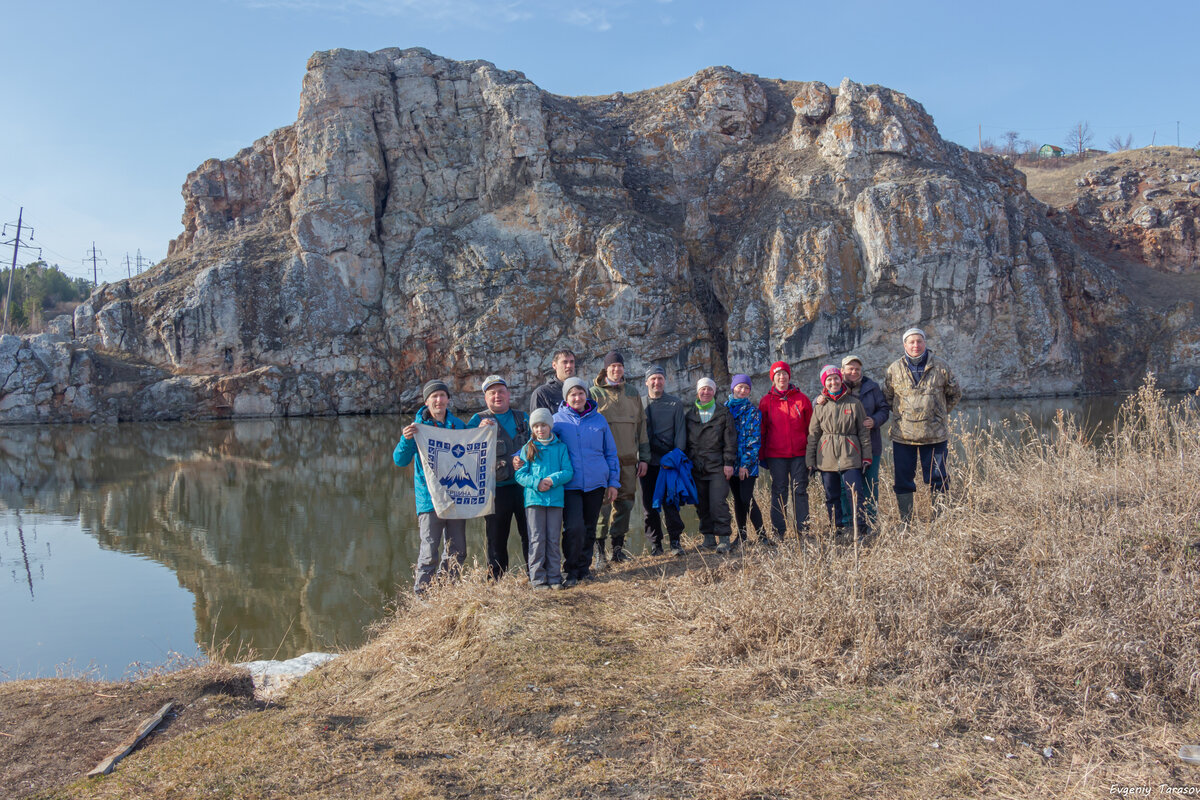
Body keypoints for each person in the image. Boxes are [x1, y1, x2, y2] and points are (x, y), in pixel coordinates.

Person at [393, 379, 468, 595]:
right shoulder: (417, 429)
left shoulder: (458, 425)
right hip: (429, 500)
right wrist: (406, 440)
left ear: (448, 399)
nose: (438, 400)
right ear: (426, 402)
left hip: (456, 497)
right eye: (434, 396)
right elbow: (399, 460)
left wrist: (483, 429)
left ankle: (446, 592)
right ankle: (422, 596)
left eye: (442, 395)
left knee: (458, 550)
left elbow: (473, 445)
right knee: (429, 552)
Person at [882, 328, 963, 523]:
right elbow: (888, 398)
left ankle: (940, 521)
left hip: (935, 435)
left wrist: (937, 414)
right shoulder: (893, 369)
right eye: (911, 342)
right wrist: (904, 417)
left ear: (924, 343)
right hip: (904, 437)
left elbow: (955, 394)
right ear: (905, 345)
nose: (915, 345)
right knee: (903, 481)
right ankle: (906, 523)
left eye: (919, 341)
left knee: (939, 479)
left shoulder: (941, 366)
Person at [553, 377, 620, 587]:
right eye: (572, 394)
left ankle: (584, 569)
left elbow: (610, 452)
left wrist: (613, 482)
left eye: (581, 393)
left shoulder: (599, 420)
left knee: (590, 527)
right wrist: (519, 457)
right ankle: (570, 570)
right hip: (570, 484)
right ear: (566, 397)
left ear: (586, 395)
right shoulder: (557, 421)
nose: (577, 397)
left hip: (596, 483)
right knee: (573, 528)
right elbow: (539, 441)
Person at [590, 351, 649, 568]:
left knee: (625, 504)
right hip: (603, 462)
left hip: (628, 460)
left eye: (619, 366)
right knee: (602, 507)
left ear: (624, 369)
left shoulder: (633, 393)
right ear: (606, 369)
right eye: (612, 366)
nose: (616, 370)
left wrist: (644, 457)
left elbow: (642, 427)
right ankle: (599, 554)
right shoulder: (593, 394)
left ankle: (617, 550)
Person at [468, 375, 530, 580]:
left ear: (508, 394)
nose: (497, 396)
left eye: (501, 391)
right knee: (496, 539)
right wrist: (477, 434)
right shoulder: (477, 420)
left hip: (525, 487)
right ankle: (496, 582)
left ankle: (535, 575)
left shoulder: (524, 418)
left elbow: (541, 445)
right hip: (495, 490)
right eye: (492, 393)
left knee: (530, 534)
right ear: (485, 398)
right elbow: (465, 453)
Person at [807, 365, 873, 540]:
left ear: (840, 379)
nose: (833, 382)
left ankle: (860, 528)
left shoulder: (854, 403)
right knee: (832, 495)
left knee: (855, 493)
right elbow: (813, 434)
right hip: (826, 456)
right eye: (829, 379)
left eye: (836, 378)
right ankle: (836, 529)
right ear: (825, 383)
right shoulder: (820, 406)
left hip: (850, 454)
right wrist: (810, 460)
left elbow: (863, 432)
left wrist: (866, 456)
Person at [515, 408, 573, 590]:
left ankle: (555, 577)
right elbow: (520, 475)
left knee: (553, 539)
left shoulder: (561, 448)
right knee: (537, 539)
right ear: (532, 429)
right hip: (534, 501)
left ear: (550, 426)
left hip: (555, 501)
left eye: (544, 425)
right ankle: (538, 579)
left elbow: (568, 472)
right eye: (537, 426)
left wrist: (551, 480)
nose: (540, 429)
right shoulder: (528, 448)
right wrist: (536, 482)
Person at [758, 361, 813, 541]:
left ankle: (803, 531)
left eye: (784, 374)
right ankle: (779, 532)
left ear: (789, 376)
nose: (782, 377)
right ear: (773, 378)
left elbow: (811, 429)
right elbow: (762, 430)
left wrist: (811, 455)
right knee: (779, 491)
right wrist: (762, 456)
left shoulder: (801, 399)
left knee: (800, 490)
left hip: (799, 453)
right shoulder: (766, 402)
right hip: (776, 455)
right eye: (778, 374)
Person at [685, 377, 737, 552]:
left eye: (709, 389)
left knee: (717, 502)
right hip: (696, 466)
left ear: (714, 392)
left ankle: (724, 539)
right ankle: (708, 539)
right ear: (698, 392)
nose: (706, 392)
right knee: (701, 503)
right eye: (703, 389)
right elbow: (685, 442)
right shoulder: (690, 415)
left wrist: (728, 462)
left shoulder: (723, 413)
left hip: (717, 466)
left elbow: (730, 440)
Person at [641, 365, 686, 556]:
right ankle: (655, 544)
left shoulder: (675, 404)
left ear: (664, 380)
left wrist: (674, 458)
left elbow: (681, 434)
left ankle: (675, 542)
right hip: (647, 463)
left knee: (671, 503)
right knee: (649, 505)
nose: (656, 382)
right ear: (646, 382)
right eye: (653, 379)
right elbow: (637, 435)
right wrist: (640, 458)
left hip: (669, 463)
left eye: (660, 378)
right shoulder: (640, 404)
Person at [725, 374, 764, 546]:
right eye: (740, 387)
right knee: (737, 500)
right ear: (733, 388)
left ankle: (763, 536)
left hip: (747, 465)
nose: (743, 390)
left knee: (746, 497)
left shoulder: (753, 412)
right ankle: (741, 536)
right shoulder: (725, 409)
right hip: (730, 463)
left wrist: (744, 465)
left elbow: (754, 440)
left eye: (746, 388)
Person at [530, 349, 576, 413]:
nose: (569, 365)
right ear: (554, 365)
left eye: (572, 362)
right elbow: (539, 422)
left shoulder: (582, 391)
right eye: (565, 362)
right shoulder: (542, 393)